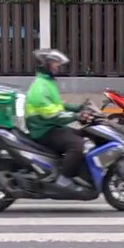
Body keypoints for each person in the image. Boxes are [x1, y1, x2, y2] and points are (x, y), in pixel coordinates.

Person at [25, 48, 86, 187]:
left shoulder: (47, 83)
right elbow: (52, 114)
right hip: (43, 131)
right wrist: (76, 116)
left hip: (50, 126)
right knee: (77, 145)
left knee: (83, 134)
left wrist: (77, 108)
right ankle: (64, 179)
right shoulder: (40, 88)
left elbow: (57, 106)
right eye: (54, 64)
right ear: (45, 65)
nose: (57, 67)